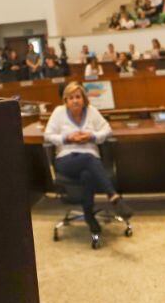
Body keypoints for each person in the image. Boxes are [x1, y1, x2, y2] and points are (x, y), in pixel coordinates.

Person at [43, 83, 131, 243]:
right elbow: (48, 135)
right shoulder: (58, 112)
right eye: (71, 98)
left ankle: (90, 218)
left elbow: (107, 130)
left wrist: (91, 137)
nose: (75, 101)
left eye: (78, 97)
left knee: (87, 173)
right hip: (66, 159)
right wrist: (67, 138)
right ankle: (113, 196)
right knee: (90, 160)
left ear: (84, 99)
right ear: (65, 100)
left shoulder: (92, 112)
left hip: (89, 159)